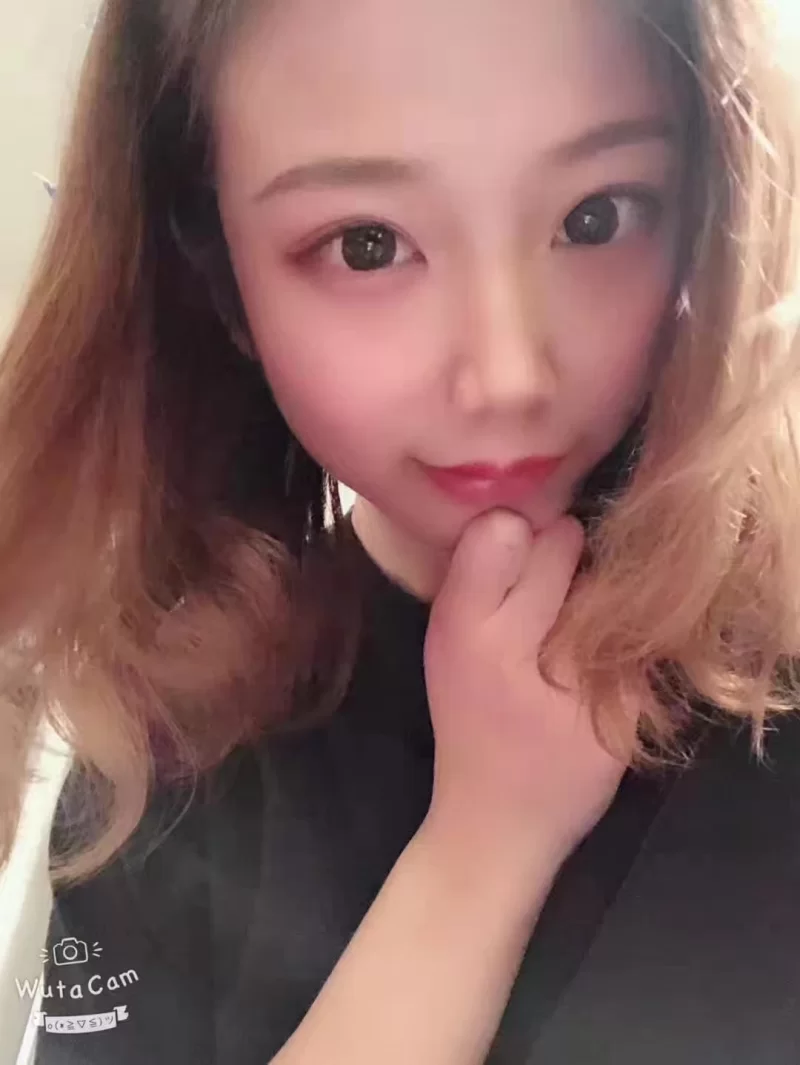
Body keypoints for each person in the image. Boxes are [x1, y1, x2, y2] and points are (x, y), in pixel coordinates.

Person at [0, 0, 799, 1061]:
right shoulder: (152, 756)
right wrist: (482, 849)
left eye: (597, 216)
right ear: (219, 279)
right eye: (367, 245)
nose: (508, 373)